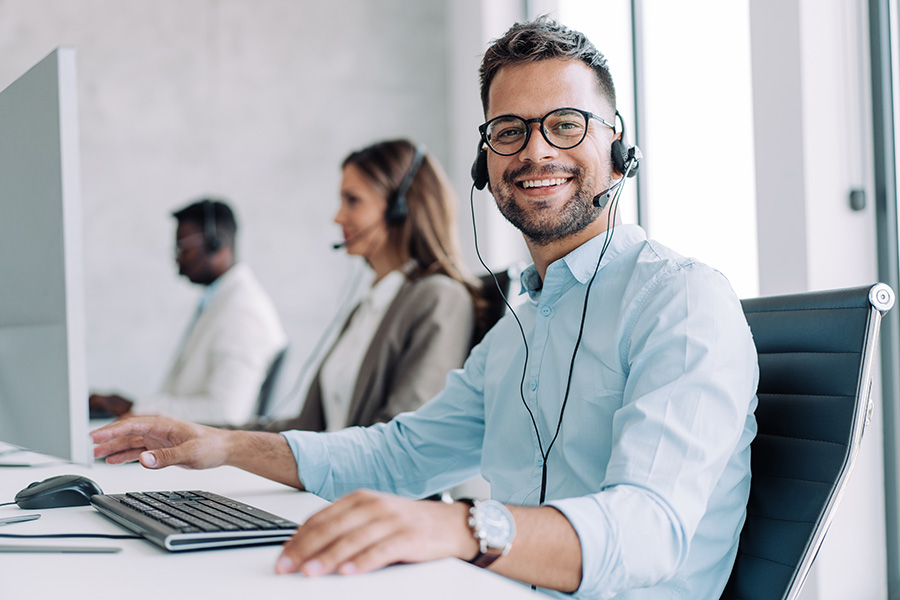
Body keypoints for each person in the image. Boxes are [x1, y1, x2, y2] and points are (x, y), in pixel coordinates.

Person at [92, 17, 758, 599]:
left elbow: (649, 532)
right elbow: (398, 455)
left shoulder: (682, 300)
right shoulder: (521, 328)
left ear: (618, 151)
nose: (535, 150)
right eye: (508, 131)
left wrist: (461, 526)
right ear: (484, 164)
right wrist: (224, 445)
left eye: (565, 124)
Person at [251, 139, 479, 432]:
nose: (338, 216)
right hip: (337, 476)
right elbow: (307, 427)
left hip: (366, 479)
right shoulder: (369, 306)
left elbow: (405, 439)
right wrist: (205, 434)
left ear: (400, 207)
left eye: (353, 200)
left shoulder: (440, 298)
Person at [89, 199, 288, 427]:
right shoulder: (219, 301)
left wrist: (137, 409)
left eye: (183, 247)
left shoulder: (244, 312)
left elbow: (226, 412)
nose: (177, 259)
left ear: (216, 244)